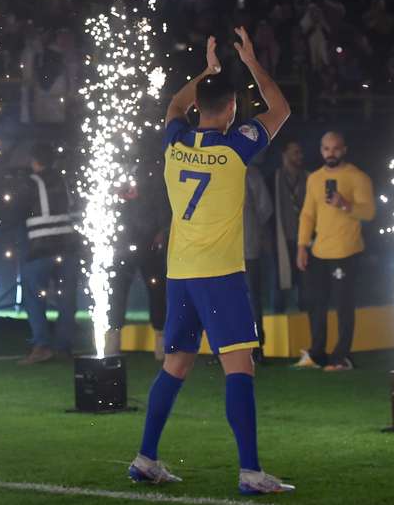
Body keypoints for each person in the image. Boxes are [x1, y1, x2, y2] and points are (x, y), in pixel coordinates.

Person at [129, 28, 294, 495]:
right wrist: (252, 60)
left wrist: (207, 71)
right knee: (239, 368)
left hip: (180, 272)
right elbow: (280, 109)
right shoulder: (236, 146)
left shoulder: (175, 142)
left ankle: (146, 458)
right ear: (233, 110)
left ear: (199, 106)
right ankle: (250, 472)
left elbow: (174, 108)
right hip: (219, 275)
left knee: (175, 365)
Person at [0, 143, 79, 364]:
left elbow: (15, 212)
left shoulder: (30, 183)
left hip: (41, 249)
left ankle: (42, 345)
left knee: (34, 296)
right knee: (67, 299)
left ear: (34, 161)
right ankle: (64, 346)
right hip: (68, 247)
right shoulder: (65, 181)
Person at [294, 132, 375, 371]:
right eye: (327, 148)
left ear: (344, 149)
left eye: (336, 148)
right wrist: (302, 246)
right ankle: (317, 353)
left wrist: (345, 204)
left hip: (347, 250)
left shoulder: (357, 177)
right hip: (319, 250)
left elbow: (369, 212)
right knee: (316, 303)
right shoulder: (314, 179)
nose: (331, 153)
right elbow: (308, 214)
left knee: (343, 305)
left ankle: (342, 356)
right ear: (321, 150)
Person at [106, 132, 169, 360]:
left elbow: (162, 198)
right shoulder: (110, 169)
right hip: (120, 240)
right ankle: (113, 338)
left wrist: (162, 229)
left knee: (157, 289)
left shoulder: (150, 170)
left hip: (147, 238)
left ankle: (161, 339)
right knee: (117, 289)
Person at [272, 140, 308, 312]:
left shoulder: (309, 178)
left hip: (305, 239)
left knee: (306, 286)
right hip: (281, 240)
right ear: (284, 155)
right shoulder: (273, 179)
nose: (299, 156)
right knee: (280, 286)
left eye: (300, 152)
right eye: (295, 152)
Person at [243, 162, 273, 360]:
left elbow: (265, 208)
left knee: (252, 298)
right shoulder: (216, 170)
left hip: (247, 248)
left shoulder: (251, 173)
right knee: (224, 299)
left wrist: (253, 229)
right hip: (221, 251)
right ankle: (226, 347)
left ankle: (256, 346)